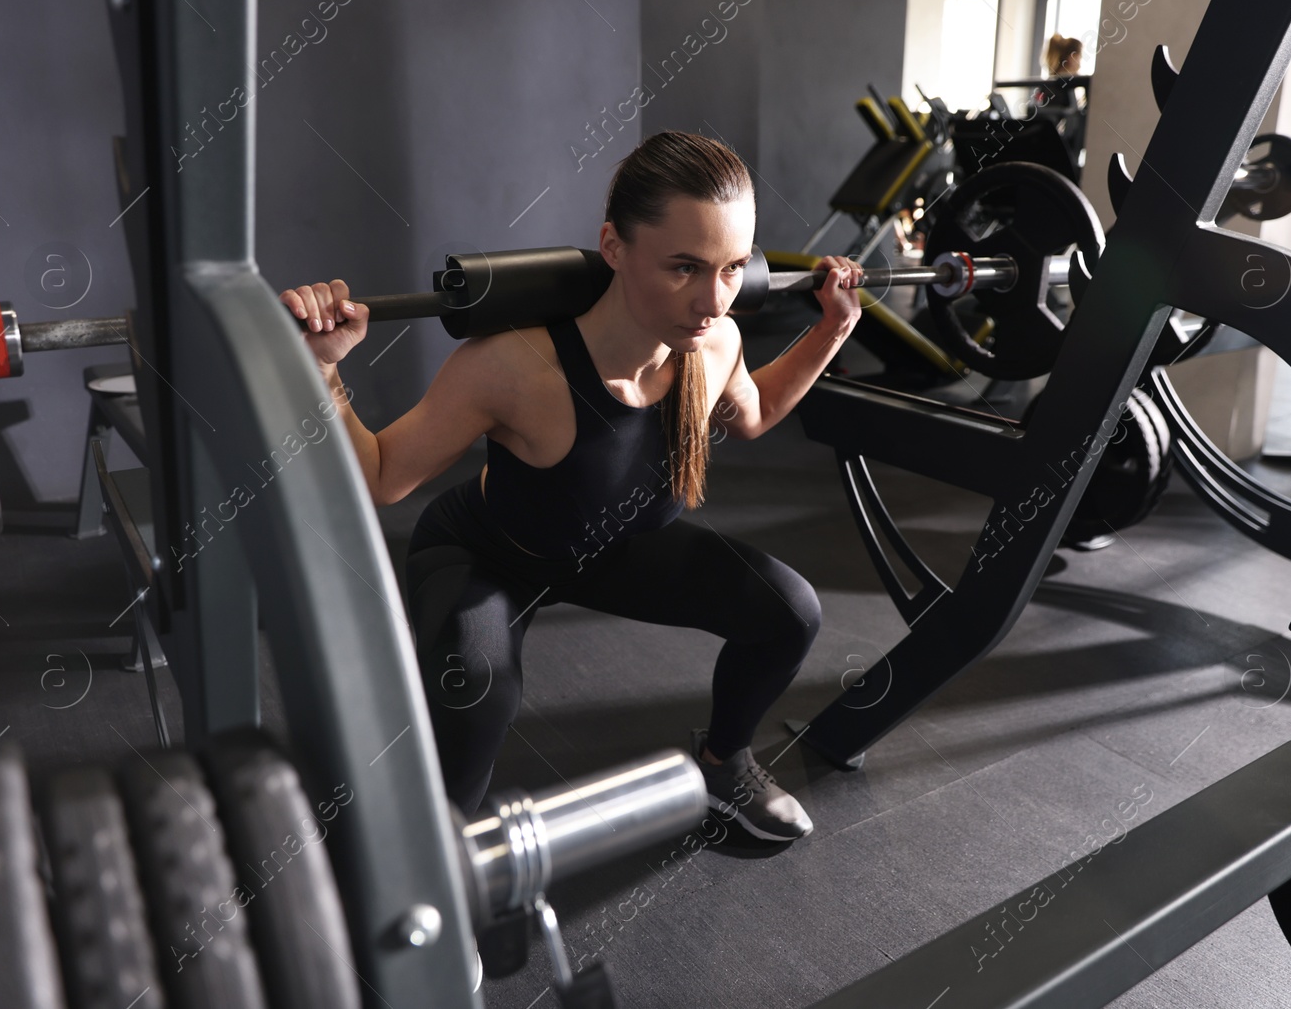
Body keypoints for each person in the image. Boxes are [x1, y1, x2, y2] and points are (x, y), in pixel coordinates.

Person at [277, 131, 864, 842]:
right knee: (476, 687)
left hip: (614, 548)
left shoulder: (714, 344)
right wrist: (324, 371)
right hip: (491, 551)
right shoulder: (513, 367)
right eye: (684, 266)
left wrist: (832, 330)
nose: (713, 298)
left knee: (788, 610)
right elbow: (380, 475)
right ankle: (446, 859)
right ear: (613, 246)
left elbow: (757, 414)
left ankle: (720, 762)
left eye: (733, 267)